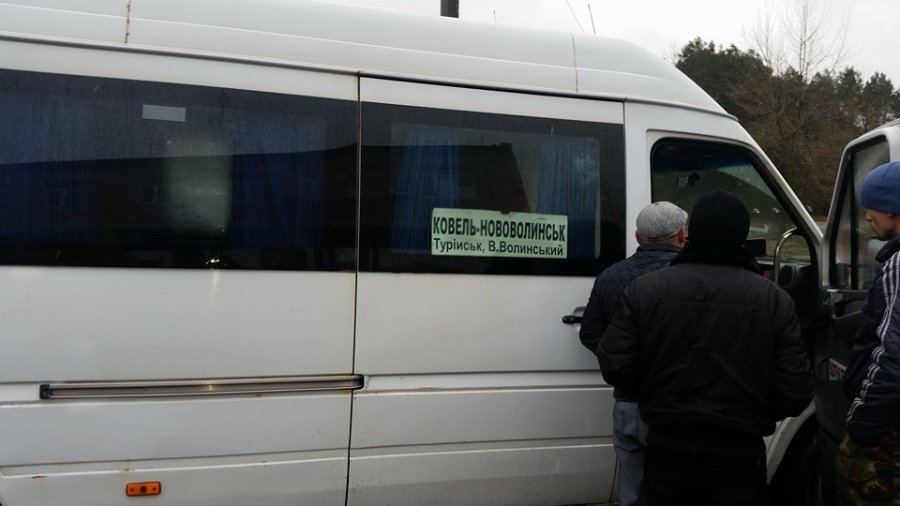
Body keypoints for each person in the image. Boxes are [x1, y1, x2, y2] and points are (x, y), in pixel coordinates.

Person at [597, 190, 813, 506]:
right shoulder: (774, 299)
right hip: (739, 450)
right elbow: (795, 389)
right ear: (743, 237)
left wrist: (656, 395)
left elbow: (615, 363)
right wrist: (752, 412)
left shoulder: (646, 290)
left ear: (690, 233)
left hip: (667, 445)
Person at [579, 201, 687, 506]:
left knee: (632, 491)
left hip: (629, 405)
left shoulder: (610, 276)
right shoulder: (690, 279)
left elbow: (590, 334)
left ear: (638, 237)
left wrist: (624, 366)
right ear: (682, 235)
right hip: (677, 406)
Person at [836, 161, 900, 505]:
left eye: (872, 205)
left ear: (893, 208)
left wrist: (861, 421)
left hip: (886, 428)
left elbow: (893, 356)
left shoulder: (898, 265)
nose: (867, 216)